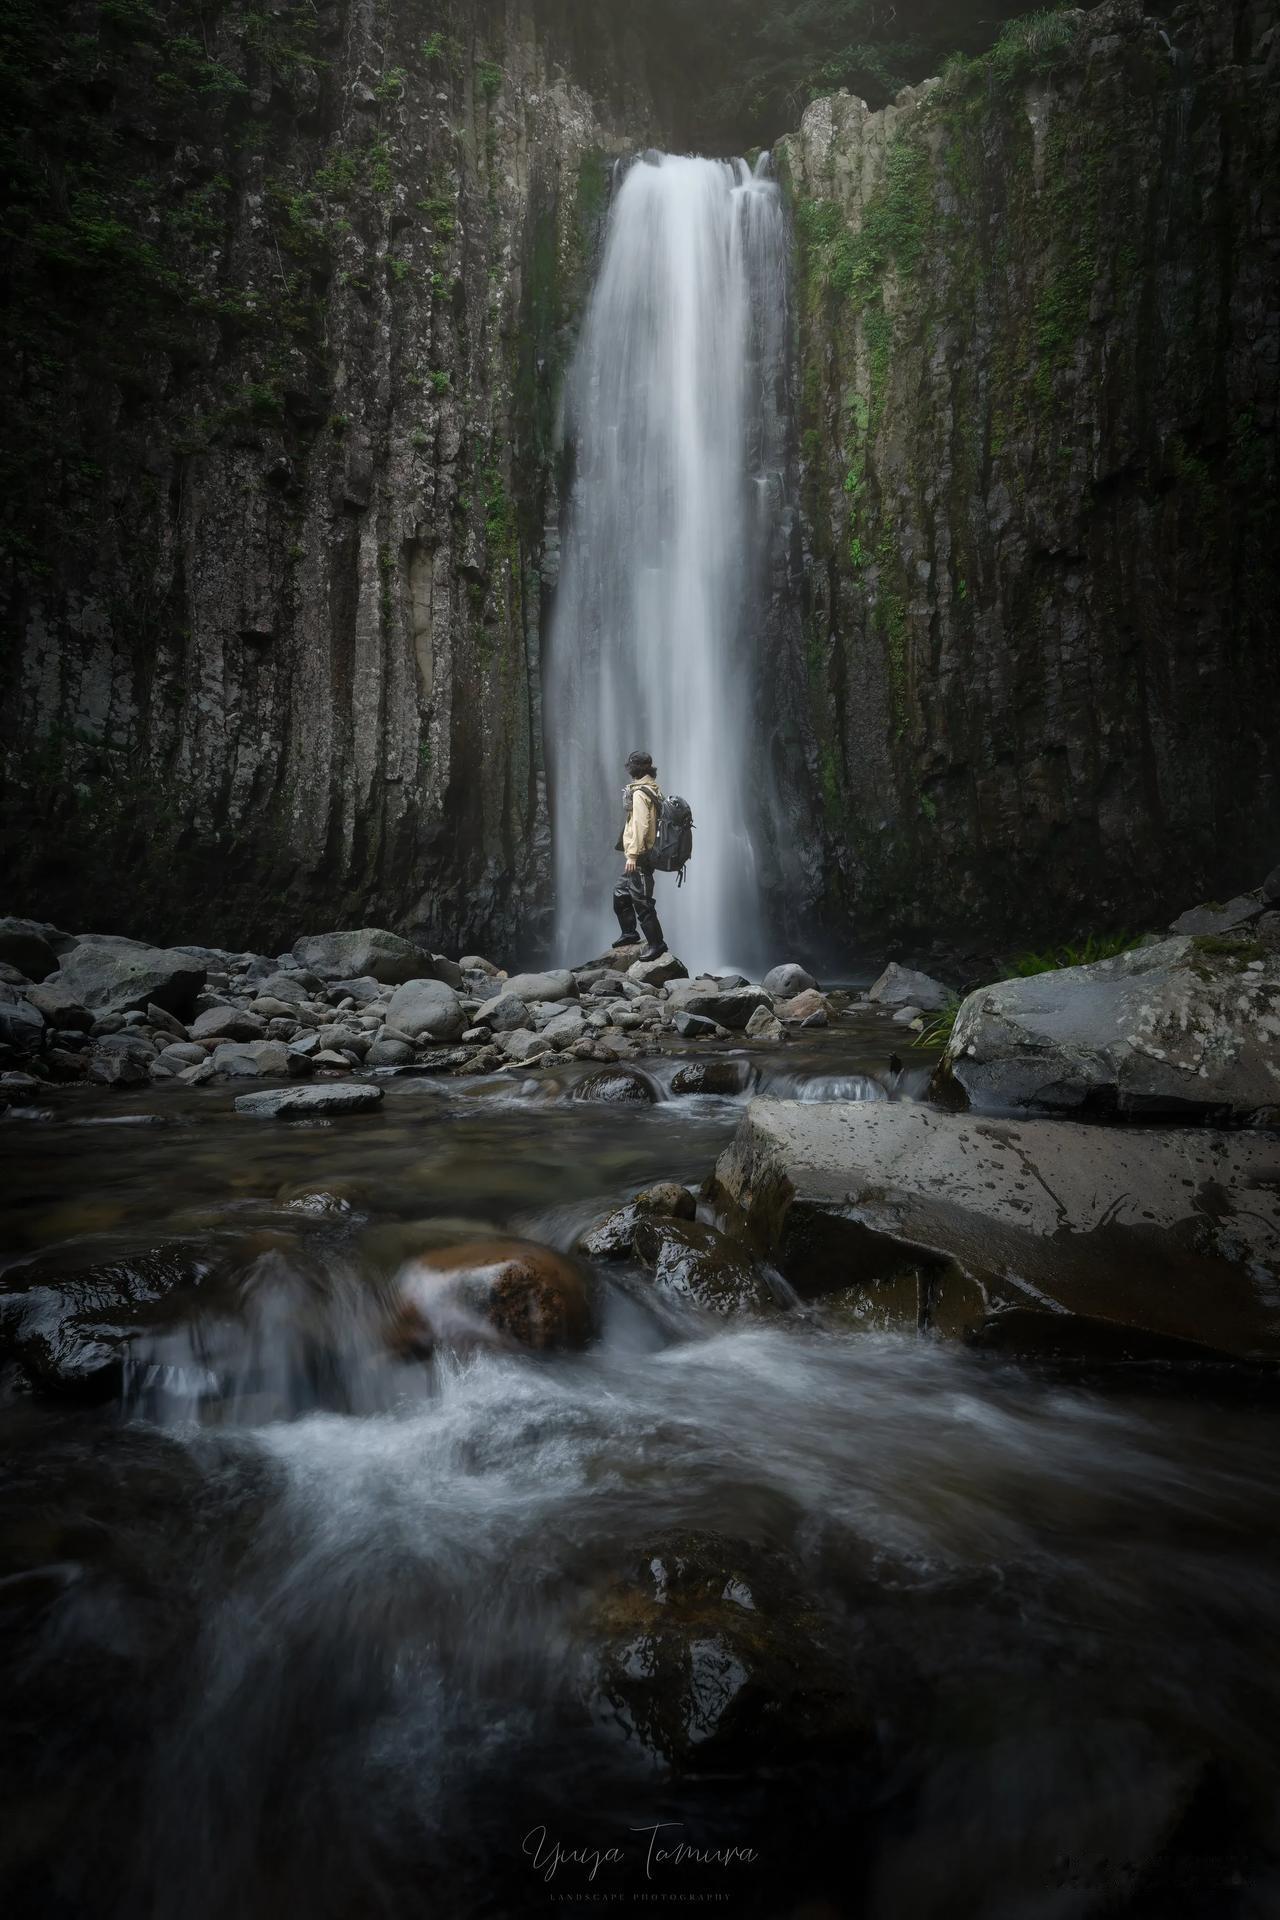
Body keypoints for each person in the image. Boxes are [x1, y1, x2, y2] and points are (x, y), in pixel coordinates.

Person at [612, 750, 667, 960]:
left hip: (641, 856)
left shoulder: (641, 793)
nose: (629, 769)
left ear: (636, 768)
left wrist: (633, 855)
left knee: (642, 901)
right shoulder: (652, 788)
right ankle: (629, 932)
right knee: (620, 893)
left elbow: (641, 825)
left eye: (631, 766)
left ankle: (657, 944)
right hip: (639, 854)